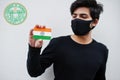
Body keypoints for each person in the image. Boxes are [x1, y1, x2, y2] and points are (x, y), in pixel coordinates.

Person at [27, 0, 109, 80]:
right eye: (74, 16)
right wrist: (34, 49)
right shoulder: (58, 43)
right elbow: (34, 72)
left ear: (94, 22)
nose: (77, 19)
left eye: (83, 16)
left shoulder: (102, 50)